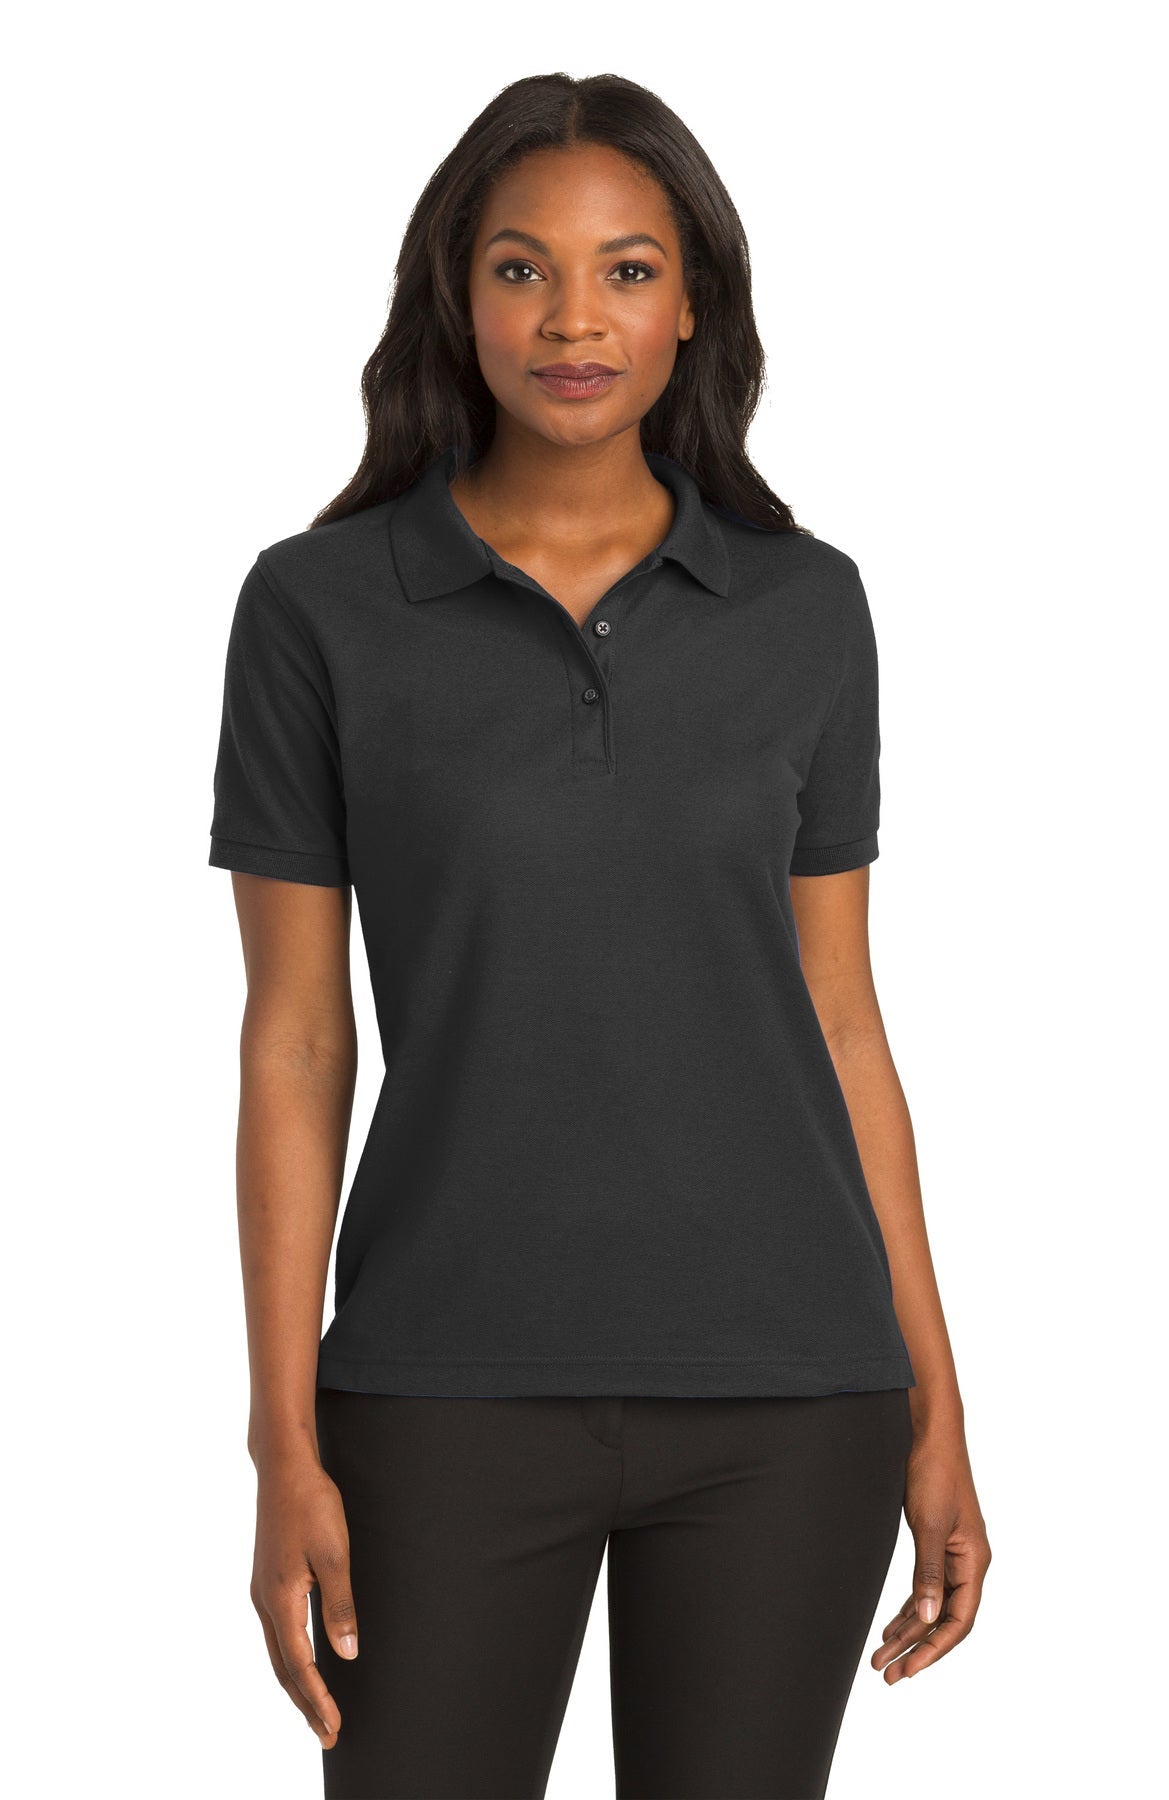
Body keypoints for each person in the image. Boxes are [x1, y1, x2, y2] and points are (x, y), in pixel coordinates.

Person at [208, 70, 992, 1800]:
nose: (576, 319)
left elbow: (842, 1019)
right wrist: (282, 1443)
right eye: (523, 269)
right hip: (436, 1392)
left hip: (793, 1398)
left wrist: (937, 1406)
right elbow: (298, 1040)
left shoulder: (805, 606)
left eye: (629, 270)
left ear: (694, 301)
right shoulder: (319, 609)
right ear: (455, 293)